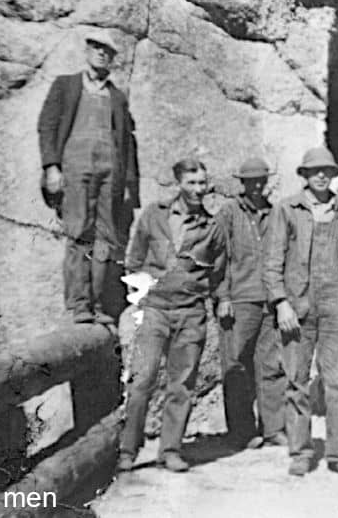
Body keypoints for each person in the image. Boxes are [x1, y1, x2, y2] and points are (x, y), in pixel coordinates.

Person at [118, 158, 225, 472]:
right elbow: (135, 258)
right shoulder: (155, 214)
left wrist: (215, 300)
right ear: (178, 183)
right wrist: (140, 298)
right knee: (142, 380)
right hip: (155, 311)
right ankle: (128, 449)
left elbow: (218, 271)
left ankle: (171, 449)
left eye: (202, 183)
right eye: (191, 183)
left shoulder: (211, 225)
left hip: (191, 314)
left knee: (181, 385)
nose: (197, 189)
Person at [264, 146, 338, 478]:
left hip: (336, 305)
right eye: (315, 170)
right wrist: (280, 303)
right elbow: (272, 262)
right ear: (304, 175)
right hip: (297, 307)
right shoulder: (287, 210)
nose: (322, 175)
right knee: (297, 381)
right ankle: (301, 450)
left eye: (328, 171)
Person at [37, 31, 139, 324]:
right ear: (87, 51)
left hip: (110, 174)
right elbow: (47, 126)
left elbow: (127, 143)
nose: (101, 54)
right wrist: (51, 167)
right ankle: (80, 305)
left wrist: (130, 185)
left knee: (106, 237)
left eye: (107, 51)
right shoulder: (66, 85)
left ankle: (99, 304)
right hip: (75, 168)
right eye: (96, 48)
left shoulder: (117, 97)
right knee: (79, 233)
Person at [213, 157, 287, 450]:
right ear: (241, 183)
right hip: (239, 300)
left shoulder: (275, 213)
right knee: (235, 365)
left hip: (269, 301)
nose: (257, 186)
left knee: (271, 366)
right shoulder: (228, 213)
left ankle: (273, 429)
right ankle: (241, 432)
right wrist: (223, 296)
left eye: (261, 180)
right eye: (250, 181)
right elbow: (218, 258)